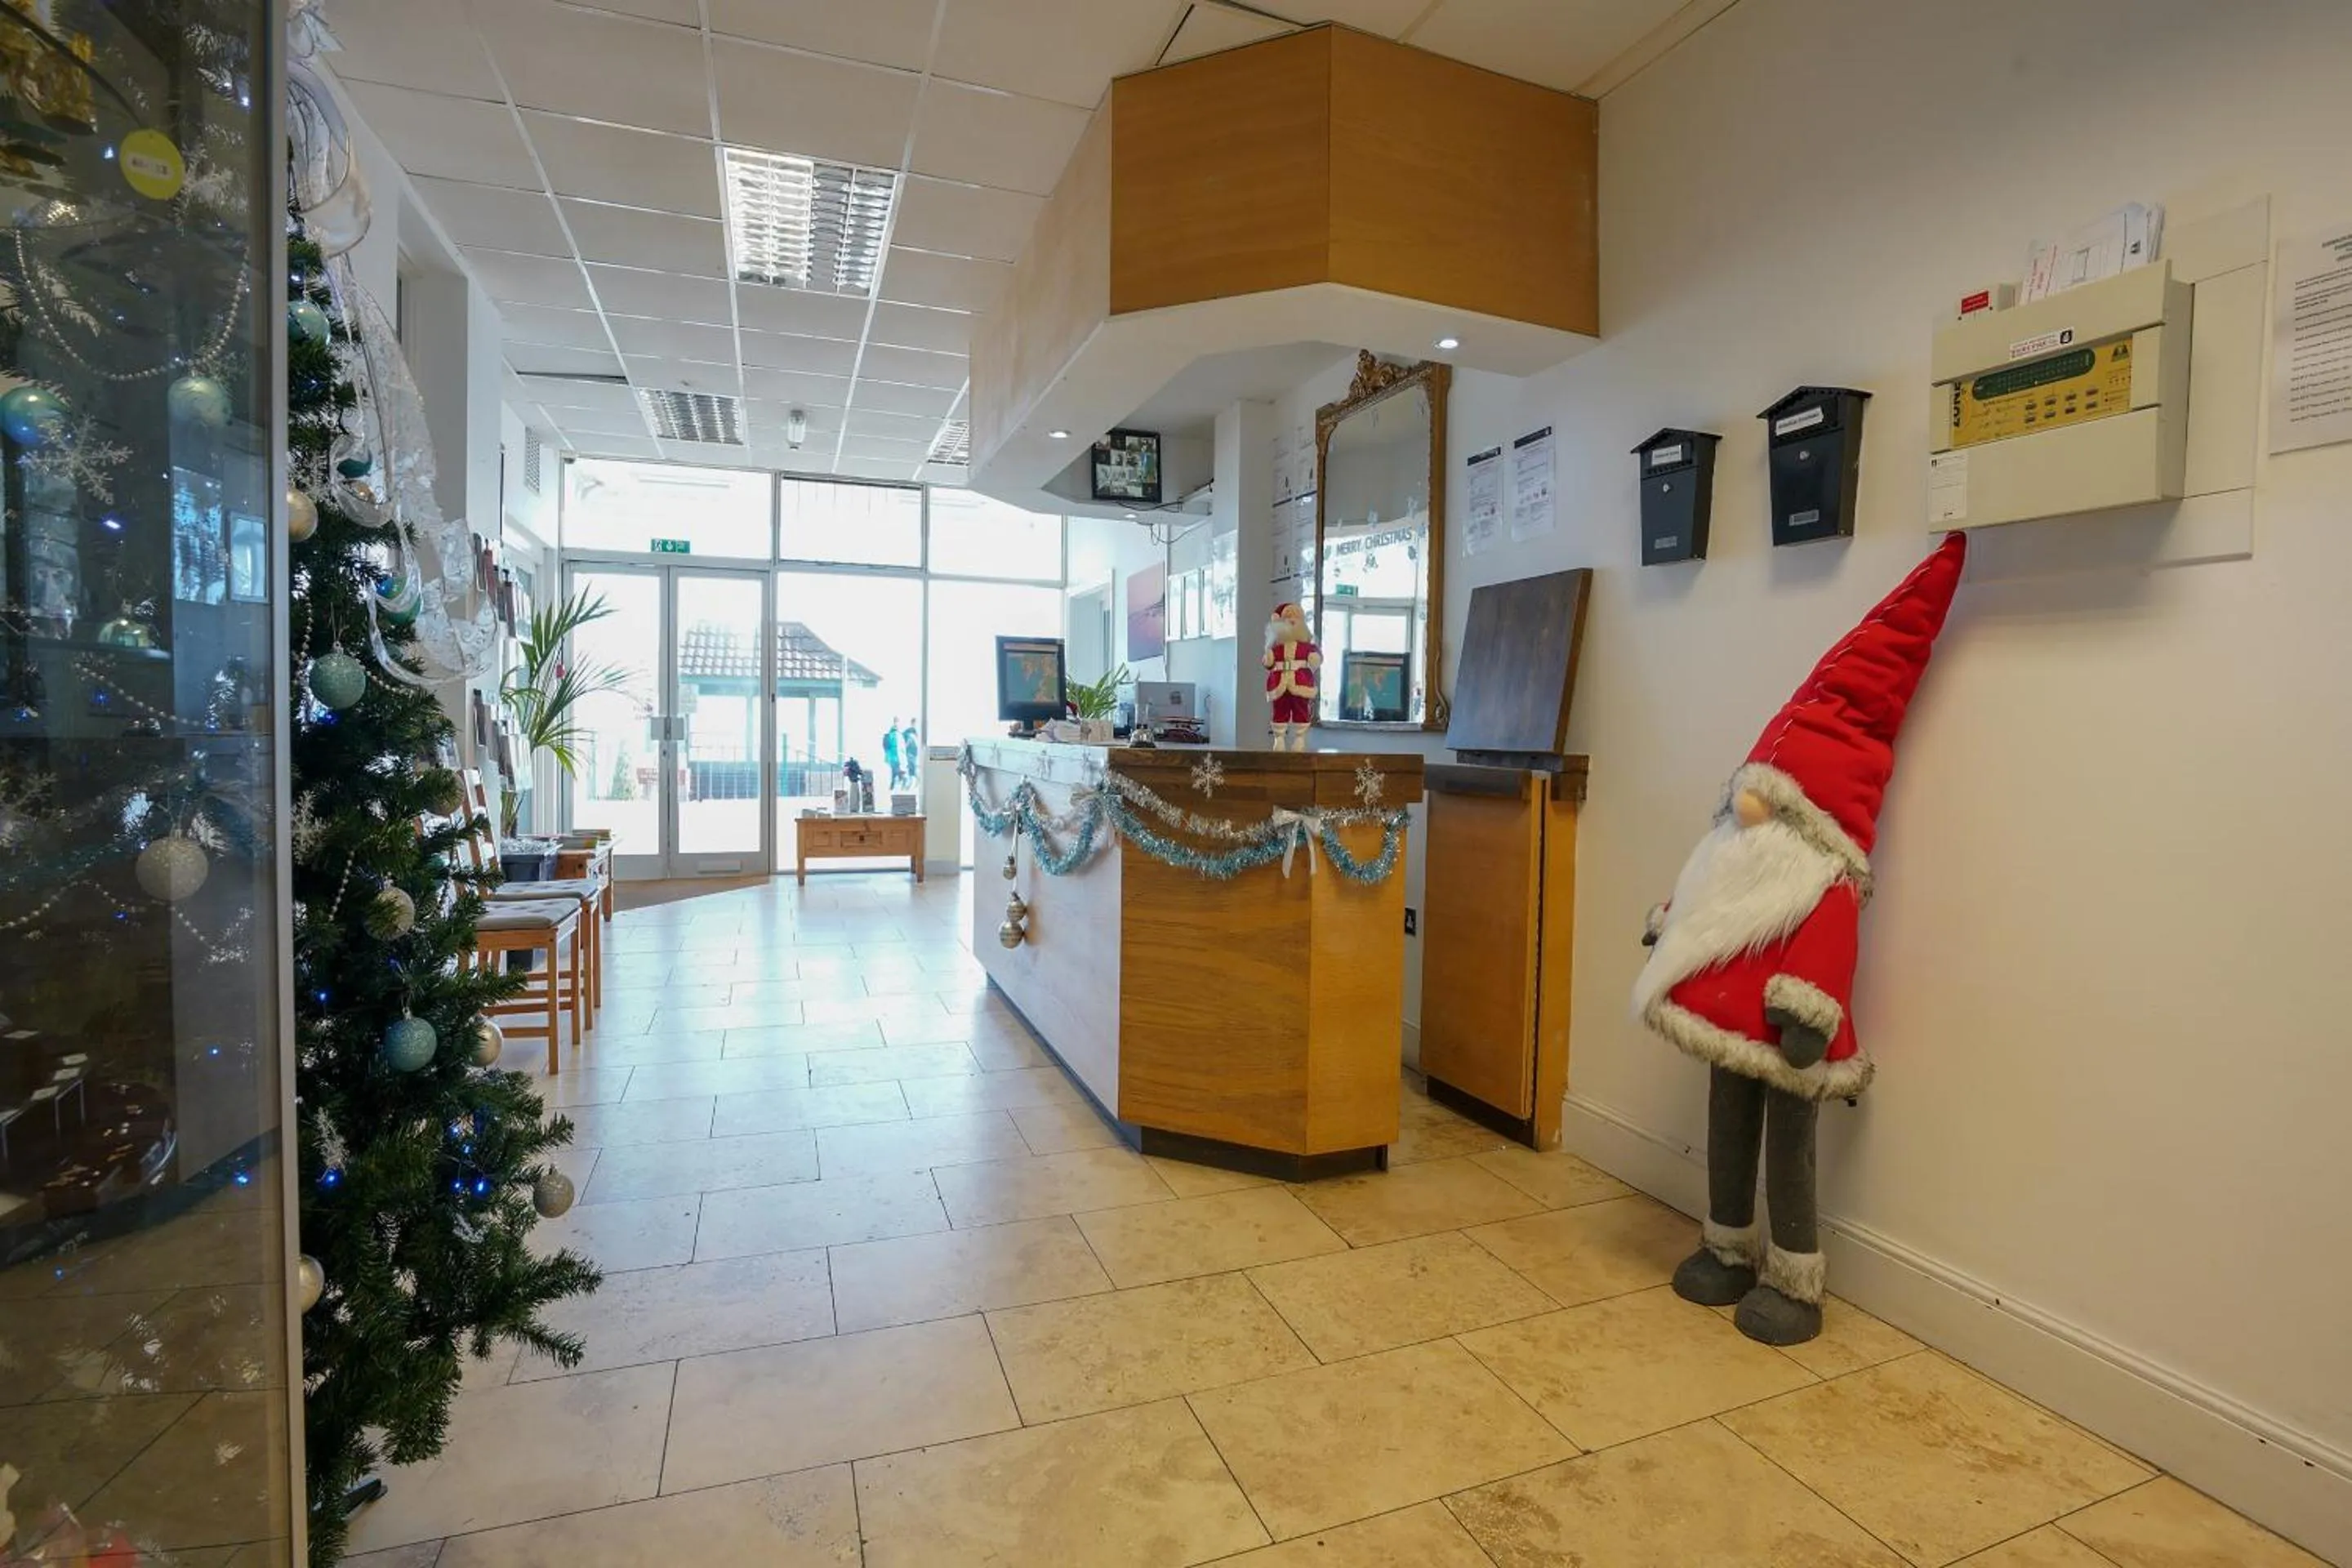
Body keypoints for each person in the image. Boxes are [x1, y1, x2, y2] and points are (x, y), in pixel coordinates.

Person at [880, 719, 903, 789]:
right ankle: (897, 779)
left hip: (891, 756)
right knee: (895, 769)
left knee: (894, 769)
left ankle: (894, 783)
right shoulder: (895, 735)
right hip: (895, 756)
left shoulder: (890, 735)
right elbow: (898, 747)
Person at [898, 719, 919, 788]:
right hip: (911, 754)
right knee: (911, 770)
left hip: (911, 754)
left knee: (912, 770)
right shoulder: (910, 733)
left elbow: (909, 742)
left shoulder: (910, 734)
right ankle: (909, 783)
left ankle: (909, 783)